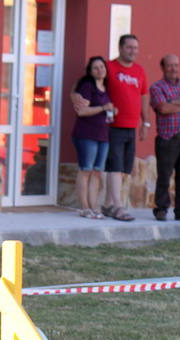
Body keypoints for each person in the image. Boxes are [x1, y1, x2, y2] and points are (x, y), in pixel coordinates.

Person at [72, 34, 149, 222]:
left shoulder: (139, 71)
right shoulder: (109, 68)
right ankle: (116, 205)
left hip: (129, 127)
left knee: (120, 169)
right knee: (110, 168)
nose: (133, 51)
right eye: (129, 47)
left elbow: (144, 95)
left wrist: (145, 122)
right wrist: (73, 96)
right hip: (111, 127)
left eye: (136, 48)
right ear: (120, 48)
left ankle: (107, 205)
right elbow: (82, 84)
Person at [149, 54, 180, 222]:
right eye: (170, 66)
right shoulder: (156, 87)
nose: (174, 69)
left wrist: (174, 103)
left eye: (176, 65)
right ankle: (161, 209)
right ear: (162, 67)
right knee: (164, 175)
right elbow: (163, 108)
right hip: (167, 137)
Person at [71, 56, 113, 219]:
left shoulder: (106, 87)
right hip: (86, 134)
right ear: (90, 71)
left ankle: (94, 206)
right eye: (95, 68)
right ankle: (84, 207)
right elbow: (81, 111)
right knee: (86, 170)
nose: (99, 70)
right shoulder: (87, 86)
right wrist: (103, 107)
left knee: (97, 172)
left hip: (103, 135)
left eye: (102, 67)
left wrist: (110, 110)